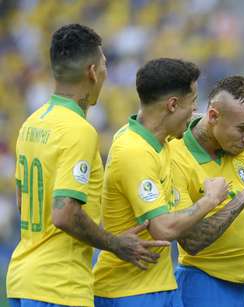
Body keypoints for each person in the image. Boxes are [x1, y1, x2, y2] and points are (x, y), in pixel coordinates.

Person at [6, 24, 165, 307]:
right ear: (92, 71)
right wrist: (114, 243)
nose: (105, 73)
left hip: (23, 281)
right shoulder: (78, 130)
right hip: (59, 286)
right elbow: (65, 214)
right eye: (104, 65)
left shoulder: (32, 123)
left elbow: (24, 201)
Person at [92, 58, 229, 307]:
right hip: (129, 293)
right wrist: (210, 199)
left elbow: (201, 123)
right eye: (192, 101)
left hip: (159, 287)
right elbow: (162, 229)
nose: (195, 109)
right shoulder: (134, 151)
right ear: (173, 104)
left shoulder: (163, 140)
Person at [171, 75, 244, 307]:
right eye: (243, 129)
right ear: (214, 116)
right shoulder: (176, 155)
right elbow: (191, 241)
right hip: (205, 283)